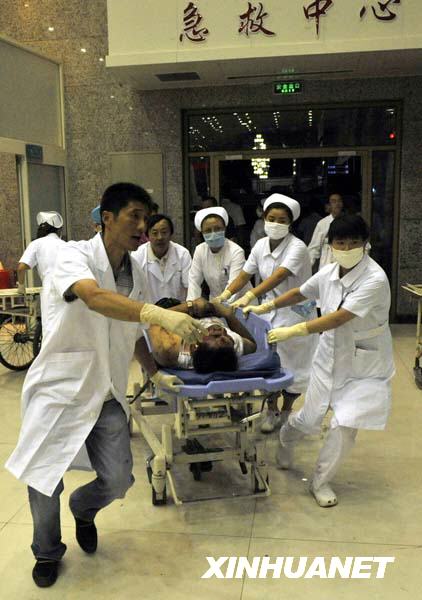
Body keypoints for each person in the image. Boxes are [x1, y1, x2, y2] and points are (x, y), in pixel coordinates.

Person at [5, 183, 205, 588]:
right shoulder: (71, 255)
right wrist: (158, 314)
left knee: (118, 479)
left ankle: (83, 507)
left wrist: (153, 371)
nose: (142, 226)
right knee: (45, 476)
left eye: (146, 218)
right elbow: (94, 298)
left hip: (108, 389)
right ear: (106, 218)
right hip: (60, 387)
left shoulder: (136, 271)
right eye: (134, 215)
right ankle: (47, 551)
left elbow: (132, 331)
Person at [258, 215, 394, 508]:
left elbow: (340, 317)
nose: (347, 247)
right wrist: (267, 304)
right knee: (310, 418)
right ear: (330, 245)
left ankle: (320, 481)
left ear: (365, 244)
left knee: (344, 425)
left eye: (354, 242)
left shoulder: (374, 278)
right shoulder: (330, 272)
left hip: (365, 364)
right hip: (328, 355)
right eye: (341, 242)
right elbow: (300, 292)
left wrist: (295, 329)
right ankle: (286, 437)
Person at [215, 194, 318, 433]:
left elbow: (279, 276)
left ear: (290, 223)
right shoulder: (260, 245)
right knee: (270, 360)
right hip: (269, 310)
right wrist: (226, 294)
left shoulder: (297, 247)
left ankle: (286, 411)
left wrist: (250, 296)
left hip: (295, 312)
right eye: (272, 218)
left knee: (294, 365)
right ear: (263, 217)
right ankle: (270, 409)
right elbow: (245, 273)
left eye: (282, 220)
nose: (276, 223)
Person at [147, 298, 256, 372]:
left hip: (176, 315)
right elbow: (252, 345)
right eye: (227, 336)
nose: (221, 331)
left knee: (165, 303)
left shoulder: (169, 348)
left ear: (194, 346)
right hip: (210, 312)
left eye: (215, 336)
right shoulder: (231, 346)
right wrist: (228, 315)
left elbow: (153, 319)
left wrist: (190, 307)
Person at [187, 206, 252, 301]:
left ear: (224, 229)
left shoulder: (236, 251)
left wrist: (220, 307)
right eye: (208, 231)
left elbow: (234, 287)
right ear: (202, 232)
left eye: (217, 229)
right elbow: (194, 281)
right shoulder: (200, 250)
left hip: (240, 303)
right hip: (215, 304)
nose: (213, 234)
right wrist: (192, 306)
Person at [16, 211, 66, 335]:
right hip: (68, 287)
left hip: (50, 289)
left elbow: (21, 267)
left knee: (49, 330)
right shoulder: (65, 245)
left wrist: (21, 287)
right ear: (58, 230)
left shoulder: (37, 244)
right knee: (64, 328)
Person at [131, 214, 192, 304]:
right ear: (147, 235)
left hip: (179, 312)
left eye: (164, 232)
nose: (160, 237)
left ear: (171, 234)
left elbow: (190, 288)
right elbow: (135, 291)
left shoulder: (182, 254)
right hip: (149, 312)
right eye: (155, 233)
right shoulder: (137, 255)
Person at [308, 192, 343, 271]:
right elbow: (314, 249)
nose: (337, 204)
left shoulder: (349, 222)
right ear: (328, 206)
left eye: (339, 201)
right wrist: (307, 268)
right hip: (326, 267)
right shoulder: (323, 224)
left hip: (343, 266)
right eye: (334, 201)